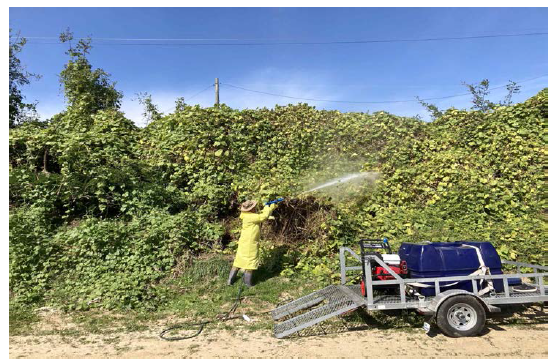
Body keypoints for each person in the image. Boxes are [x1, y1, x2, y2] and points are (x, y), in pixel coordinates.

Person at [227, 199, 278, 287]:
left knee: (238, 261)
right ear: (251, 209)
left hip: (244, 242)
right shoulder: (251, 217)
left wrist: (271, 207)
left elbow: (261, 215)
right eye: (254, 207)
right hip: (250, 243)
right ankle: (248, 284)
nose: (255, 208)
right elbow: (264, 216)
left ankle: (229, 281)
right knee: (250, 262)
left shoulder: (245, 215)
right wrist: (267, 206)